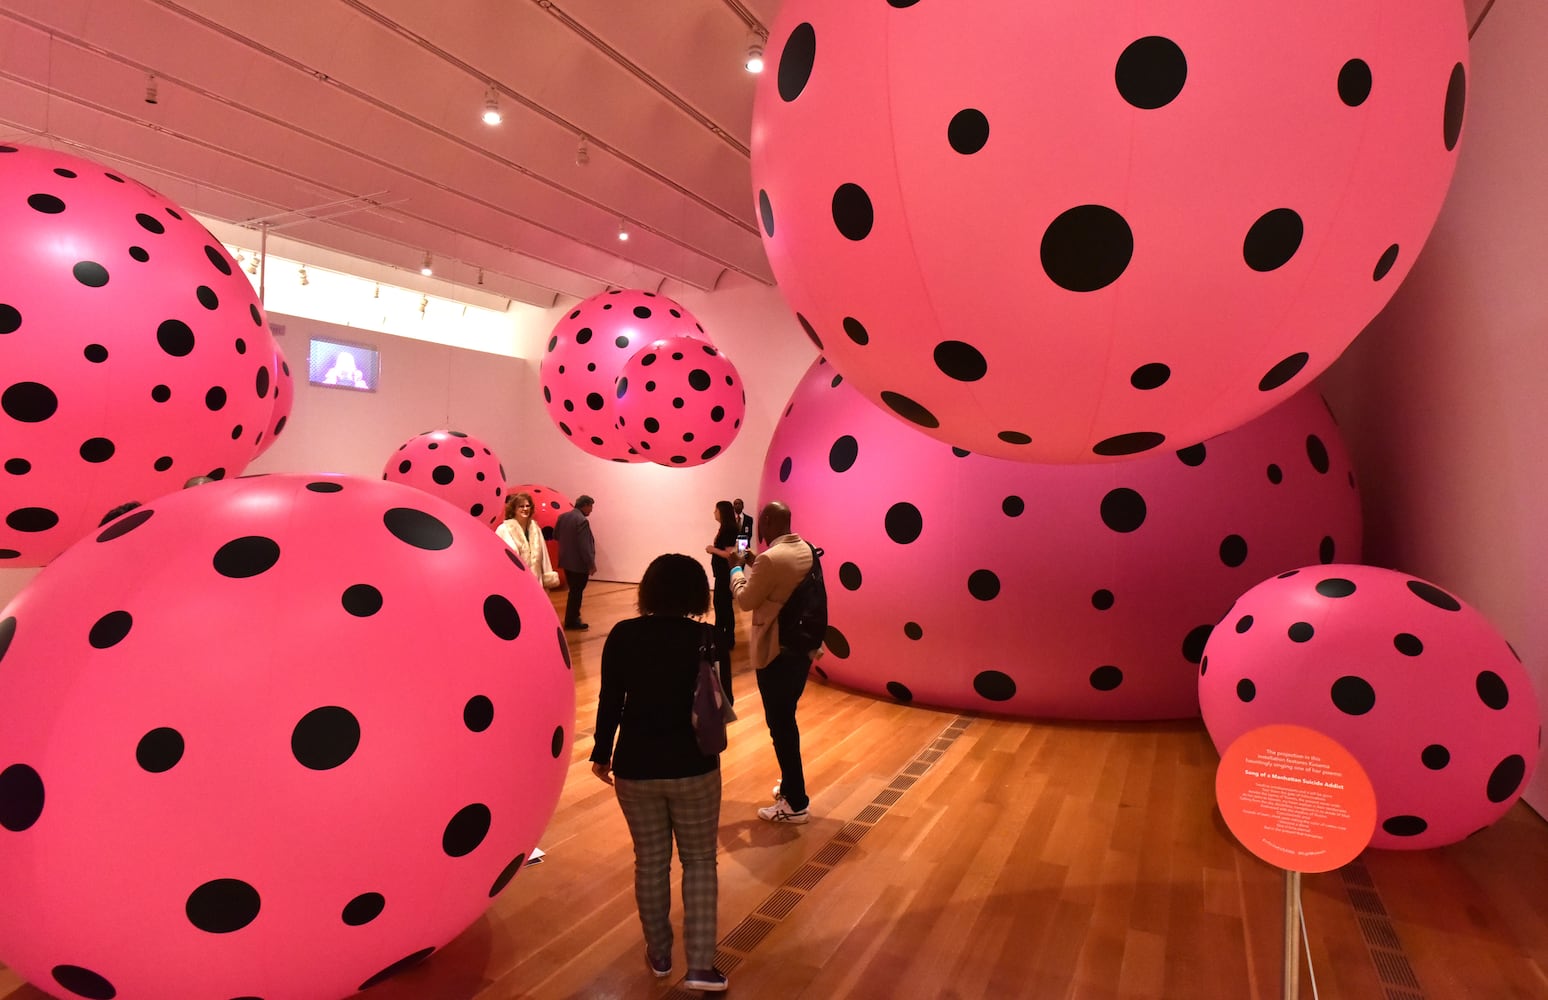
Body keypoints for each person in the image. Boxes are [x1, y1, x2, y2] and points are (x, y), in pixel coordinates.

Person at [590, 554, 728, 993]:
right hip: (695, 766)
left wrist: (600, 751)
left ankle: (661, 953)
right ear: (696, 592)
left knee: (650, 862)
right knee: (701, 861)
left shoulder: (624, 634)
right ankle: (702, 966)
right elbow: (718, 705)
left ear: (647, 589)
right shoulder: (708, 637)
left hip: (636, 764)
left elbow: (610, 698)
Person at [729, 501, 820, 825]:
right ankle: (791, 785)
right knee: (786, 721)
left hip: (776, 651)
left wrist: (736, 569)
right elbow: (779, 580)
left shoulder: (769, 559)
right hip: (801, 648)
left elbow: (745, 600)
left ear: (765, 520)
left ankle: (795, 803)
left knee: (781, 727)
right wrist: (754, 561)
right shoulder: (805, 549)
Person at [704, 500, 740, 702]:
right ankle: (727, 638)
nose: (713, 512)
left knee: (722, 606)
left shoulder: (728, 530)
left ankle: (723, 639)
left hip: (724, 576)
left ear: (722, 512)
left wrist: (712, 549)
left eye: (716, 509)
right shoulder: (729, 528)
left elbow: (731, 554)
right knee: (724, 607)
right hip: (723, 575)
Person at [496, 492, 558, 589]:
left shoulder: (535, 529)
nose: (525, 509)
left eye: (527, 506)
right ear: (514, 509)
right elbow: (498, 559)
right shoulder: (503, 529)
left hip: (536, 583)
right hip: (513, 583)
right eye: (521, 506)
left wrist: (547, 577)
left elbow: (544, 556)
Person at [555, 494, 597, 630]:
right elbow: (585, 546)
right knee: (576, 592)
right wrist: (591, 564)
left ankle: (571, 618)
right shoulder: (582, 521)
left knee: (573, 591)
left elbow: (555, 535)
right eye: (591, 507)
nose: (591, 510)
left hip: (566, 562)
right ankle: (573, 620)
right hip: (579, 564)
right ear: (585, 506)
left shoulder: (563, 517)